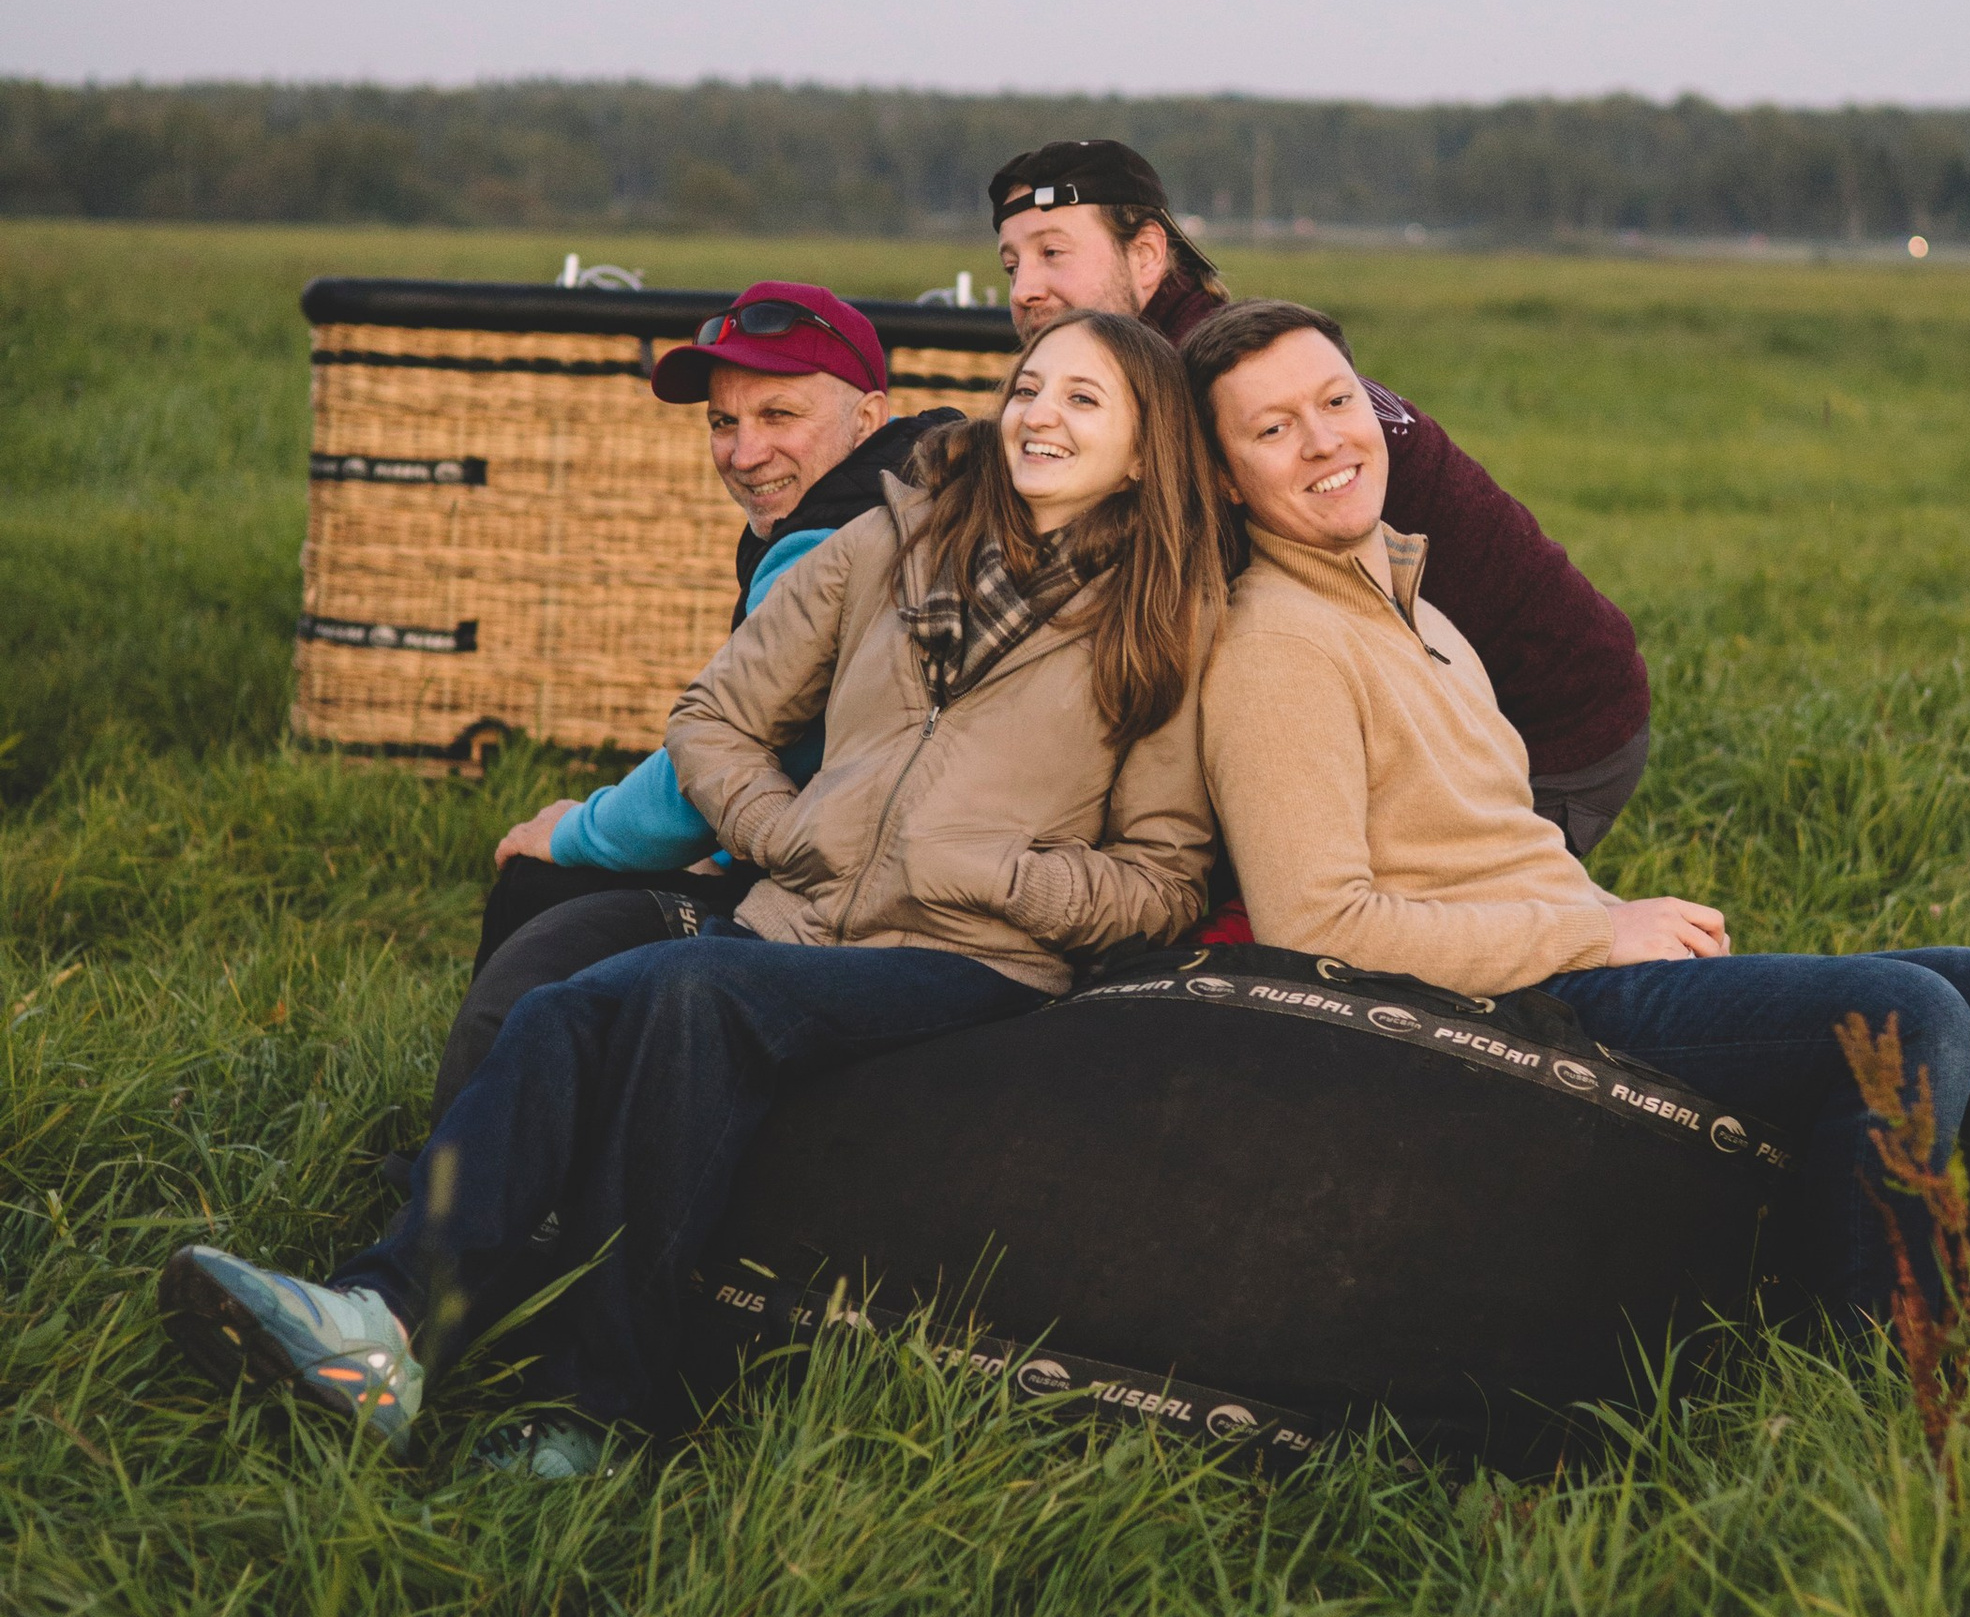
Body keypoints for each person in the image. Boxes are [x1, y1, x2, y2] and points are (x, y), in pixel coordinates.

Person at [160, 312, 1225, 1472]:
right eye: (1031, 389)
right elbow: (715, 717)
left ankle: (594, 1410)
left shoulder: (1162, 611)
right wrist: (784, 828)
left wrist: (997, 877)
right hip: (802, 918)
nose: (1040, 417)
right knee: (563, 1004)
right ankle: (383, 1320)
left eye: (1085, 400)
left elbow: (1164, 879)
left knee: (687, 990)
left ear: (1145, 443)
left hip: (974, 957)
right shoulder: (893, 539)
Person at [1185, 300, 1970, 1345]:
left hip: (1575, 956)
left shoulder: (1419, 608)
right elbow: (1315, 931)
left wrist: (1619, 915)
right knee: (1907, 1014)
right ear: (1227, 479)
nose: (1324, 438)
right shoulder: (1278, 648)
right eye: (1273, 428)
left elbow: (1494, 841)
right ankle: (1865, 1362)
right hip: (1514, 1007)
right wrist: (1596, 934)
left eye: (1335, 401)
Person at [988, 138, 1653, 857]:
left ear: (1148, 256)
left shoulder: (1199, 392)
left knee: (1335, 918)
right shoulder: (1209, 356)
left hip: (1549, 732)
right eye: (1012, 264)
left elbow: (1164, 633)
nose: (1025, 287)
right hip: (1443, 701)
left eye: (1053, 253)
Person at [429, 282, 956, 1116]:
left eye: (779, 416)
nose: (744, 454)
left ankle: (459, 1170)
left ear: (868, 418)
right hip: (891, 854)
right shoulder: (917, 490)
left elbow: (707, 769)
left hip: (852, 891)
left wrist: (571, 830)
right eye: (722, 422)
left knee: (539, 891)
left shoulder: (828, 540)